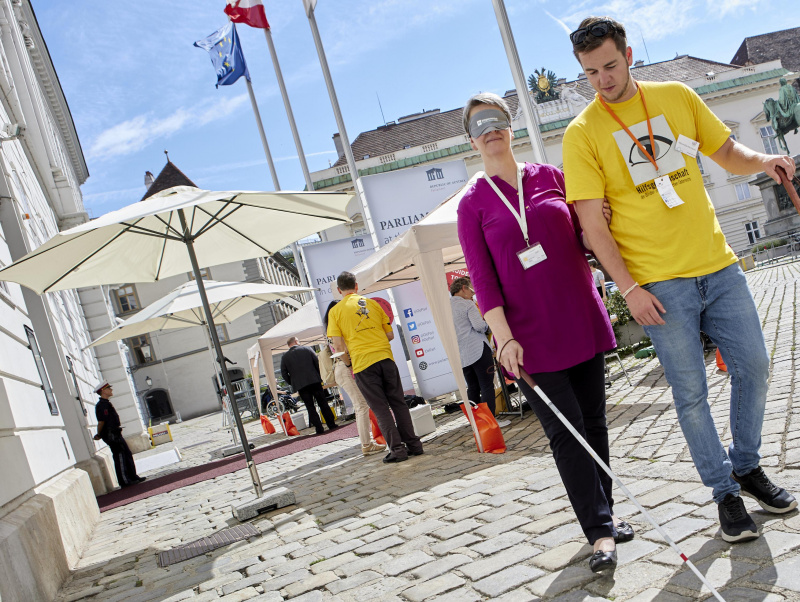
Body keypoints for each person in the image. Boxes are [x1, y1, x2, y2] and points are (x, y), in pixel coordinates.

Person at [563, 16, 797, 544]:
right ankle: (724, 495)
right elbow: (592, 226)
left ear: (628, 55)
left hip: (717, 264)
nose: (602, 79)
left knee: (755, 368)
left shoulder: (675, 96)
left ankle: (746, 466)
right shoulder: (582, 134)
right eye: (590, 72)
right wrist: (628, 288)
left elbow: (727, 153)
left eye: (610, 65)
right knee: (691, 395)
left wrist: (767, 159)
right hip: (658, 285)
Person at [457, 91, 630, 573]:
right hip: (529, 339)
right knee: (567, 433)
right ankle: (598, 533)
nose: (490, 129)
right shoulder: (472, 204)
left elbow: (583, 237)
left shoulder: (551, 176)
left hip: (580, 317)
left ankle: (608, 514)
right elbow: (482, 279)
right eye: (479, 124)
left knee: (593, 423)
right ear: (471, 140)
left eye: (497, 120)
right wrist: (503, 337)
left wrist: (602, 223)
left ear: (510, 126)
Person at [327, 272, 423, 464]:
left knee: (380, 409)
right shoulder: (373, 304)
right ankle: (414, 445)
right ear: (356, 285)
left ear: (339, 290)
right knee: (398, 404)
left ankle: (397, 450)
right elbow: (390, 335)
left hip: (363, 364)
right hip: (386, 359)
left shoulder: (336, 311)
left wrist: (348, 363)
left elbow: (338, 347)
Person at [323, 300, 386, 456]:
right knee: (361, 405)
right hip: (344, 367)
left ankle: (367, 442)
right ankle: (366, 444)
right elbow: (341, 350)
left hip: (341, 368)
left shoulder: (331, 329)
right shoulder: (336, 328)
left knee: (361, 405)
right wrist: (350, 365)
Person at [449, 277, 497, 415]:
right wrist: (487, 325)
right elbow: (479, 326)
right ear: (463, 288)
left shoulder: (445, 308)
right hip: (478, 349)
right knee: (487, 386)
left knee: (472, 387)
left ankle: (477, 423)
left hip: (461, 354)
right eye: (471, 291)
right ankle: (490, 421)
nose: (473, 295)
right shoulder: (468, 304)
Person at [280, 337, 338, 435]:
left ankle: (319, 428)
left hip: (301, 386)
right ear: (296, 342)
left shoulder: (285, 357)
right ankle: (331, 424)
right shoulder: (307, 349)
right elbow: (317, 363)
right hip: (314, 381)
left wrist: (293, 382)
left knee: (310, 407)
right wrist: (319, 376)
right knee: (323, 403)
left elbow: (284, 373)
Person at [93, 381, 145, 487]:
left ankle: (132, 476)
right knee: (120, 456)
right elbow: (101, 421)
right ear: (103, 391)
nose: (111, 390)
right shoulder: (102, 405)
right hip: (111, 434)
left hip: (116, 432)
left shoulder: (106, 403)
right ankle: (125, 481)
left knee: (127, 454)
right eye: (108, 388)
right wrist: (99, 434)